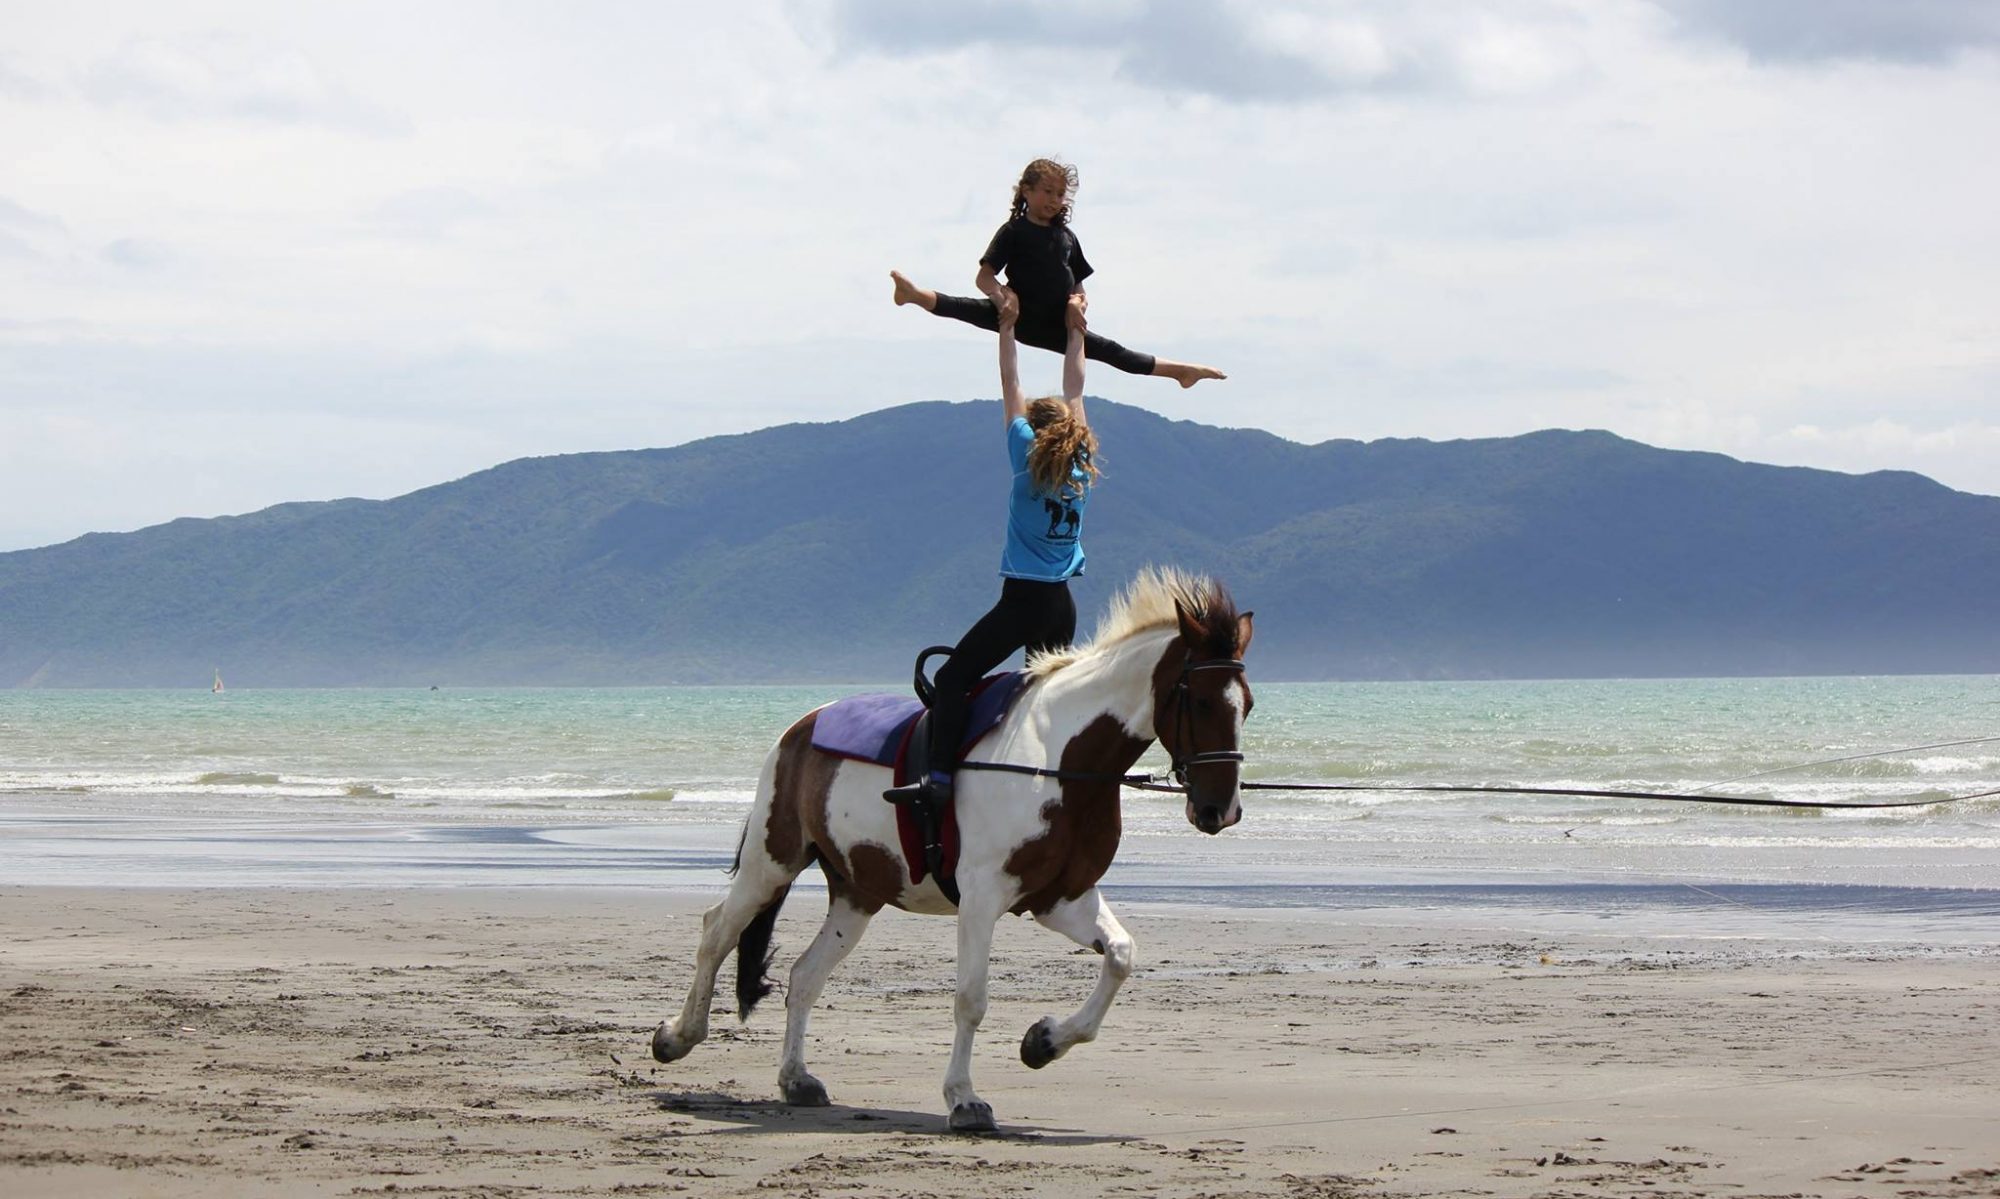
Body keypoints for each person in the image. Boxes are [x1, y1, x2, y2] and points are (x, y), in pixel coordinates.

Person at [883, 295, 1097, 808]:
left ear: (1034, 429)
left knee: (953, 677)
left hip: (1022, 605)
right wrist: (1075, 331)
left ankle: (937, 778)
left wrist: (1007, 327)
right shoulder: (1082, 459)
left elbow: (1011, 385)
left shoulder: (1026, 458)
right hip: (1063, 605)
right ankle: (1049, 786)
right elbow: (1076, 386)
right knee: (1040, 699)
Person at [890, 157, 1225, 389]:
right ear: (1026, 192)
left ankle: (1180, 371)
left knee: (1112, 352)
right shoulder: (1014, 231)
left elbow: (1078, 283)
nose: (1054, 199)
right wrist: (1001, 296)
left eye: (1059, 194)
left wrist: (1077, 304)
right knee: (960, 306)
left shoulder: (1067, 237)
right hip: (1017, 315)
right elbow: (984, 277)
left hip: (1057, 324)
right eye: (1047, 192)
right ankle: (912, 294)